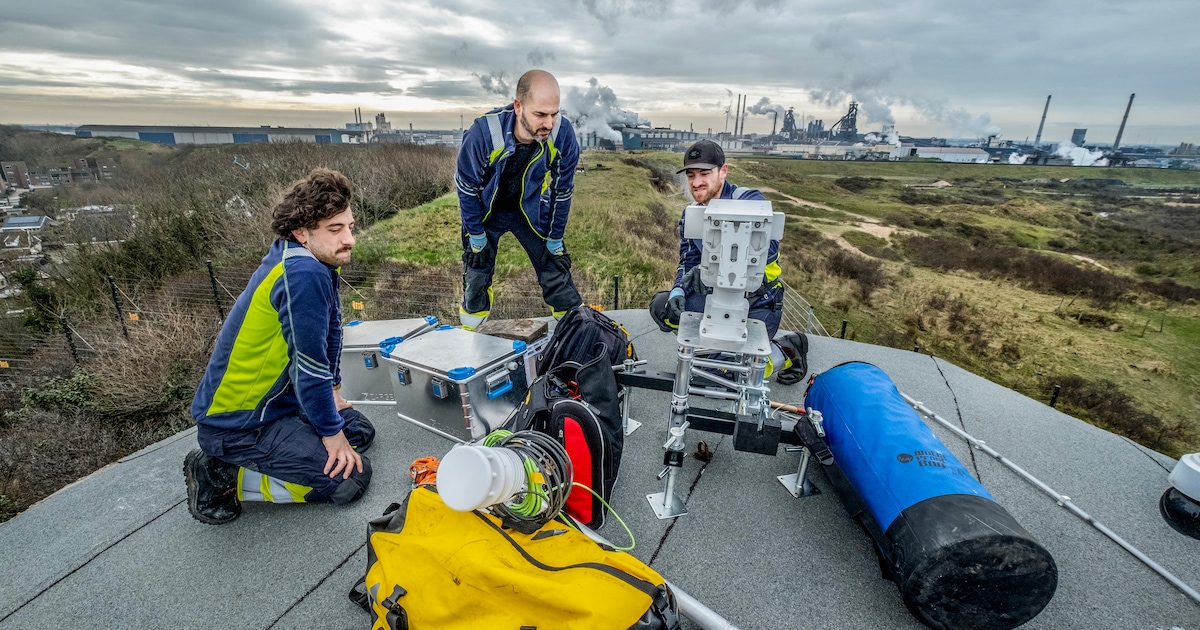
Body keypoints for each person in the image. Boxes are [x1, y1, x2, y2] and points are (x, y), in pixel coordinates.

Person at [184, 168, 375, 524]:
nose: (349, 238)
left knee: (360, 434)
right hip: (239, 424)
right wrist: (330, 435)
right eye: (335, 230)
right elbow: (308, 367)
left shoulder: (310, 259)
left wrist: (333, 392)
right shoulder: (302, 274)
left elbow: (330, 333)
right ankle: (223, 473)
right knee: (351, 479)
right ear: (301, 233)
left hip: (279, 405)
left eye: (349, 226)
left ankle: (293, 442)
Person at [649, 140, 806, 382]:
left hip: (757, 302)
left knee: (723, 378)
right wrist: (678, 289)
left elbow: (767, 250)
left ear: (723, 171)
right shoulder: (691, 213)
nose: (696, 182)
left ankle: (787, 349)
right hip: (715, 297)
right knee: (662, 307)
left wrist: (712, 267)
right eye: (691, 175)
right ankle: (714, 350)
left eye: (704, 173)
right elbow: (688, 258)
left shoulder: (750, 202)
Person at [455, 68, 582, 329]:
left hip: (529, 212)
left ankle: (574, 333)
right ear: (518, 106)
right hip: (486, 213)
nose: (548, 123)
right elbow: (467, 189)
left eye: (554, 114)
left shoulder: (562, 134)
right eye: (540, 114)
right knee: (476, 275)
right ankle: (471, 335)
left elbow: (562, 190)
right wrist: (475, 235)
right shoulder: (483, 133)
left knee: (555, 270)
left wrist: (555, 237)